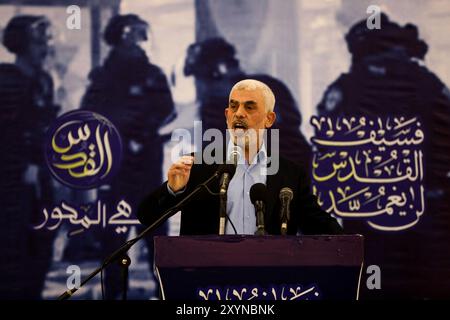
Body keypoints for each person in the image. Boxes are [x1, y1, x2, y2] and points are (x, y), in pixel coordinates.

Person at [316, 13, 450, 298]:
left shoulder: (347, 88)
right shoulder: (430, 85)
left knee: (375, 289)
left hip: (369, 215)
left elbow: (326, 154)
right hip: (428, 215)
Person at [138, 79, 342, 236]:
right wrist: (172, 190)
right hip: (207, 285)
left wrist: (356, 244)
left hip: (270, 284)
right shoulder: (199, 166)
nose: (239, 114)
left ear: (269, 119)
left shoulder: (290, 174)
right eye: (234, 107)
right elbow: (146, 216)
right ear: (227, 115)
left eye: (249, 107)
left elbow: (317, 223)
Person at [80, 14, 176, 299]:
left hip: (147, 169)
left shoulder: (154, 74)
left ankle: (164, 294)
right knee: (113, 243)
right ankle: (113, 295)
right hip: (115, 170)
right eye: (137, 34)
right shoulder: (102, 76)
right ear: (123, 37)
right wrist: (118, 131)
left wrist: (144, 132)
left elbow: (168, 109)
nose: (143, 42)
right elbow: (89, 114)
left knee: (157, 241)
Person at [183, 37, 312, 170]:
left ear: (218, 73)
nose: (200, 87)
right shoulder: (215, 105)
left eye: (200, 79)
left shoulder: (263, 91)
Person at [0, 15, 59, 299]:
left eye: (46, 42)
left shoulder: (45, 81)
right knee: (11, 251)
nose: (45, 48)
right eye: (38, 43)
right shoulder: (5, 81)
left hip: (41, 179)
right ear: (21, 44)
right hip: (11, 181)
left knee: (41, 247)